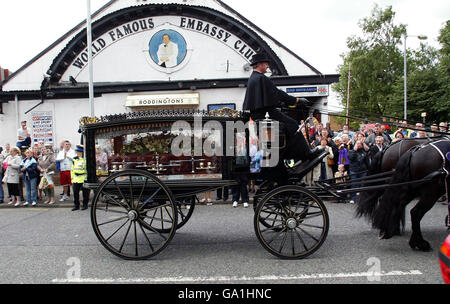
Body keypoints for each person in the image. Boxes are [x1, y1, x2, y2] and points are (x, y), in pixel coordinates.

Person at [242, 53, 321, 164]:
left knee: (288, 127)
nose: (268, 66)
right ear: (260, 64)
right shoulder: (261, 78)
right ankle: (305, 153)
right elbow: (277, 93)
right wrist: (296, 100)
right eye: (266, 63)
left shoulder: (253, 78)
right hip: (267, 113)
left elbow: (270, 97)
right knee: (293, 124)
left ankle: (297, 153)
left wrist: (282, 103)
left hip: (259, 114)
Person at [348, 140, 370, 204]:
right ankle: (353, 198)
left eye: (360, 144)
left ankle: (361, 198)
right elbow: (351, 158)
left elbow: (367, 162)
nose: (358, 145)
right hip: (354, 170)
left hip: (363, 170)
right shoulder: (351, 151)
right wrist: (354, 150)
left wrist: (368, 169)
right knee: (354, 184)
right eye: (357, 143)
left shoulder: (364, 152)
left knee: (362, 184)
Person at [71, 145, 90, 211]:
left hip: (83, 177)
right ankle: (76, 205)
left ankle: (85, 205)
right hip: (76, 178)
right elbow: (72, 169)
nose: (78, 153)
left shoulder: (85, 159)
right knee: (75, 193)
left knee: (85, 193)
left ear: (82, 152)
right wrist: (72, 178)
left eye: (79, 152)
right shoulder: (74, 159)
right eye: (77, 152)